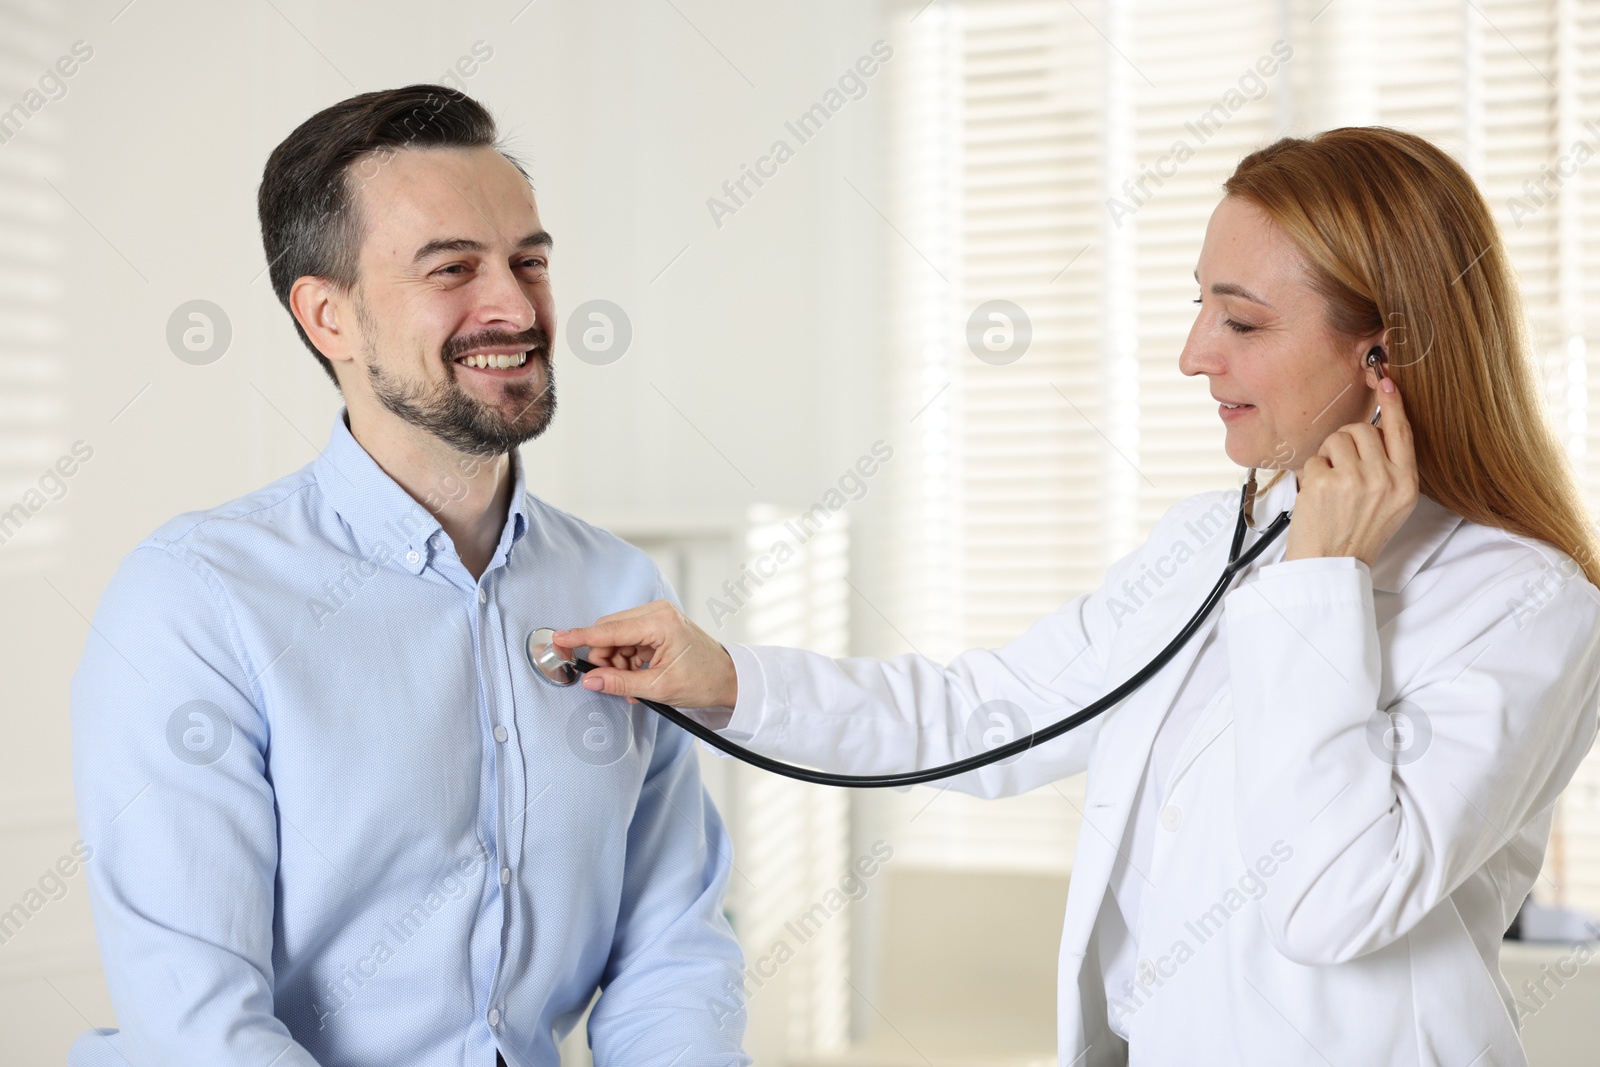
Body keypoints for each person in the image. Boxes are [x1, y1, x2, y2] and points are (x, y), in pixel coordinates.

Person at [556, 127, 1600, 1065]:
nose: (1193, 353)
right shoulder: (1209, 537)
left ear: (1387, 352)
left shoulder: (1524, 603)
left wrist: (1322, 583)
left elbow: (1333, 898)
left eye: (1240, 319)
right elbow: (984, 713)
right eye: (1199, 303)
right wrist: (724, 676)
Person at [68, 85, 748, 1067]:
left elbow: (672, 950)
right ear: (329, 316)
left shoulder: (616, 580)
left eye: (529, 262)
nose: (514, 305)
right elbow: (201, 1024)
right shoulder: (194, 599)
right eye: (452, 269)